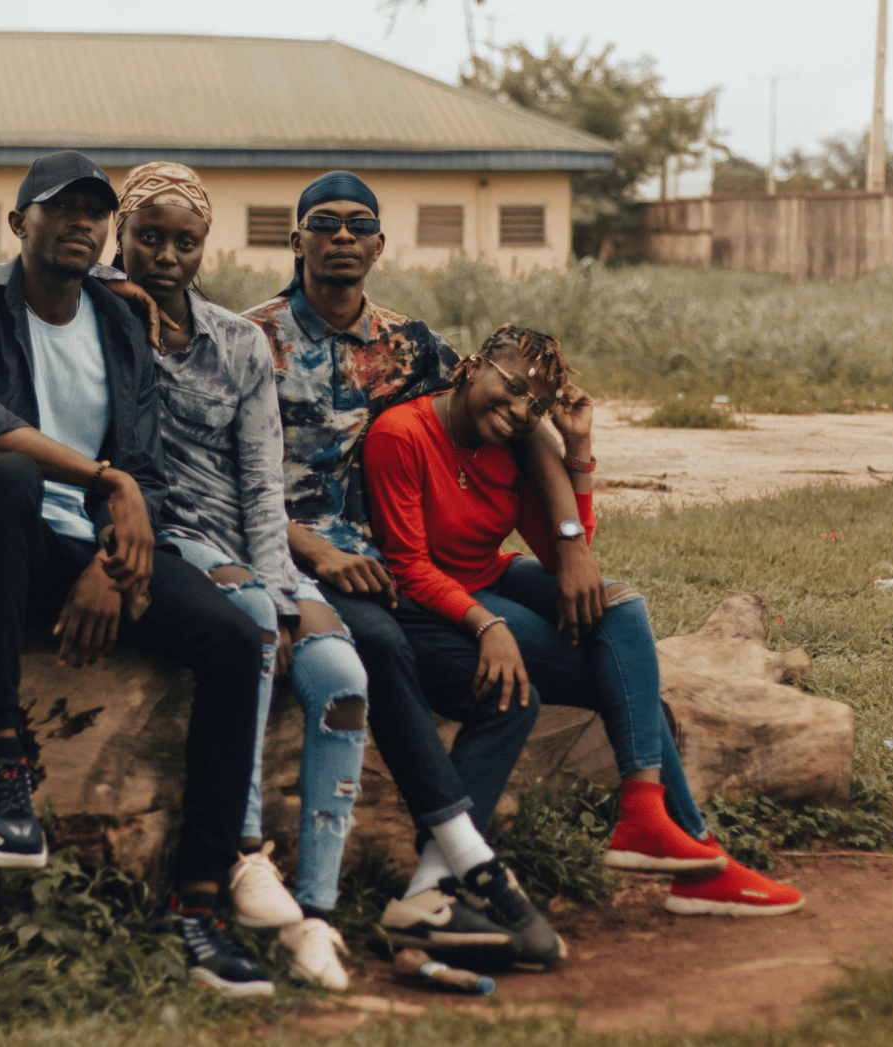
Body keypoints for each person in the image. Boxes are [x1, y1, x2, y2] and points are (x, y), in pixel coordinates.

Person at [0, 150, 274, 997]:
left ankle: (200, 901)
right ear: (19, 222)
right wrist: (106, 482)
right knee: (5, 475)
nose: (81, 222)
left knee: (233, 638)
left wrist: (112, 562)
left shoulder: (118, 319)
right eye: (60, 207)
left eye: (95, 211)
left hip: (80, 550)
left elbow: (142, 464)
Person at [243, 172, 603, 970]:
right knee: (381, 646)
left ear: (379, 244)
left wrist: (570, 535)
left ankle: (428, 888)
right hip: (290, 560)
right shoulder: (248, 340)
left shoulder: (415, 346)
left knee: (510, 692)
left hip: (394, 567)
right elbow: (225, 476)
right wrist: (316, 550)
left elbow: (517, 428)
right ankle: (476, 861)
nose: (342, 236)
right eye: (324, 223)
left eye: (358, 224)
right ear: (296, 239)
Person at [362, 323, 805, 917]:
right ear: (472, 367)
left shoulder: (515, 444)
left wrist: (577, 450)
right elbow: (408, 566)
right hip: (436, 600)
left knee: (622, 608)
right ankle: (697, 856)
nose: (519, 410)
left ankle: (650, 818)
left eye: (535, 405)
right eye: (512, 387)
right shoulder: (402, 434)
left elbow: (569, 557)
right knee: (620, 677)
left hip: (492, 574)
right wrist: (486, 625)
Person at [110, 162, 370, 991]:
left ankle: (317, 913)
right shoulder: (102, 321)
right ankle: (244, 850)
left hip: (251, 541)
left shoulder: (237, 342)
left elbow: (262, 483)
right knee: (252, 618)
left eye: (185, 241)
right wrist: (109, 291)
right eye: (148, 236)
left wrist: (289, 591)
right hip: (169, 535)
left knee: (342, 676)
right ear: (121, 235)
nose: (166, 255)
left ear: (204, 247)